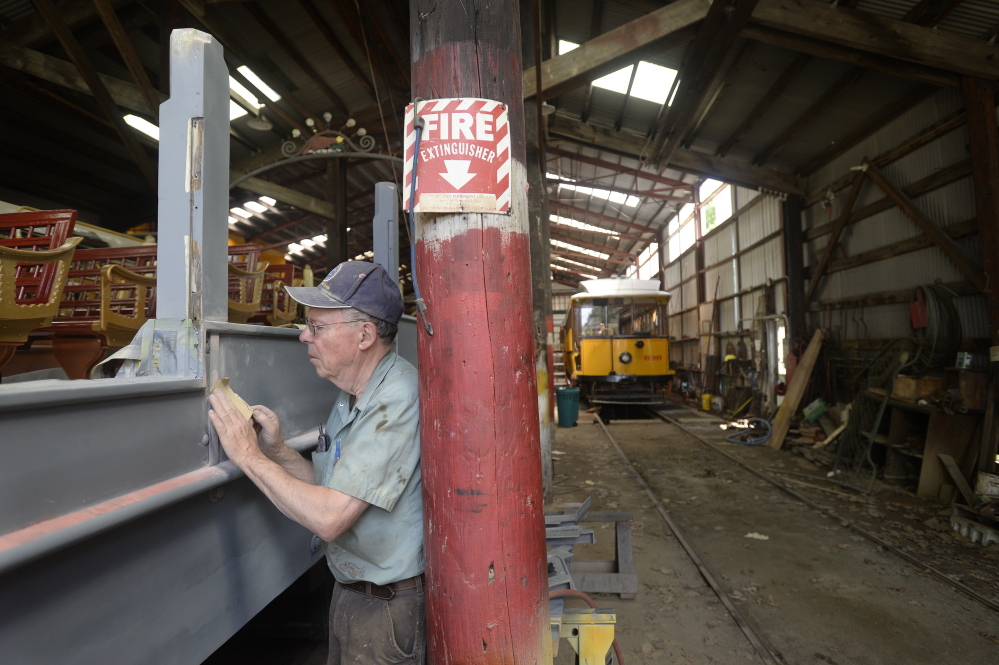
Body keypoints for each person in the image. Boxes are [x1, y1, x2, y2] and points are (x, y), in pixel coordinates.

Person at [208, 260, 424, 664]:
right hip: (353, 592)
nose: (305, 337)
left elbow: (329, 517)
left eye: (318, 328)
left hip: (386, 605)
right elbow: (332, 490)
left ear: (364, 335)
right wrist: (278, 452)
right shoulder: (353, 392)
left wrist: (248, 456)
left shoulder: (397, 398)